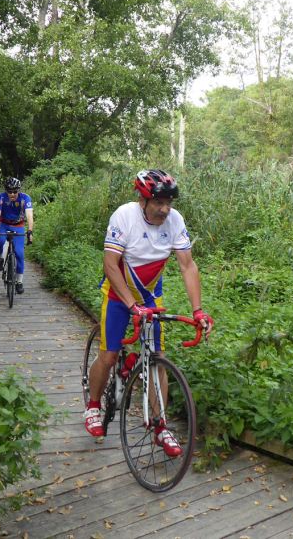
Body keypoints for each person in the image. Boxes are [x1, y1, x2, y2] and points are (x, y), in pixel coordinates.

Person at [84, 169, 213, 457]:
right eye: (158, 202)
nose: (165, 209)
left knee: (158, 359)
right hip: (118, 296)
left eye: (169, 203)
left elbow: (187, 266)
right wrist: (132, 306)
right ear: (142, 200)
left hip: (150, 296)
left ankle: (160, 425)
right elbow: (110, 265)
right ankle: (93, 405)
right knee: (109, 355)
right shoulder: (124, 216)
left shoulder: (175, 220)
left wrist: (198, 310)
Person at [0, 177, 34, 294]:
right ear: (6, 191)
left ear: (18, 190)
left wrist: (30, 231)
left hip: (18, 226)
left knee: (20, 254)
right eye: (9, 191)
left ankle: (19, 282)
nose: (12, 194)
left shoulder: (25, 198)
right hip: (4, 224)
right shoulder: (0, 198)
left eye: (15, 191)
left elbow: (29, 215)